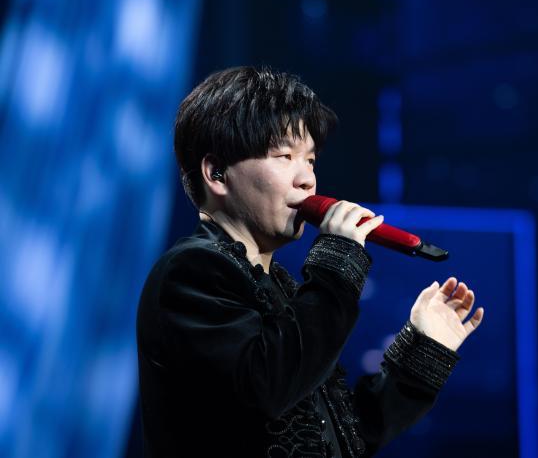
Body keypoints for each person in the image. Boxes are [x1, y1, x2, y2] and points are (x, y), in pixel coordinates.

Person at [136, 66, 484, 458]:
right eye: (284, 156)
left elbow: (342, 437)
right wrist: (338, 259)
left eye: (311, 160)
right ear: (216, 173)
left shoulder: (281, 288)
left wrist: (421, 351)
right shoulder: (191, 271)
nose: (307, 180)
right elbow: (266, 388)